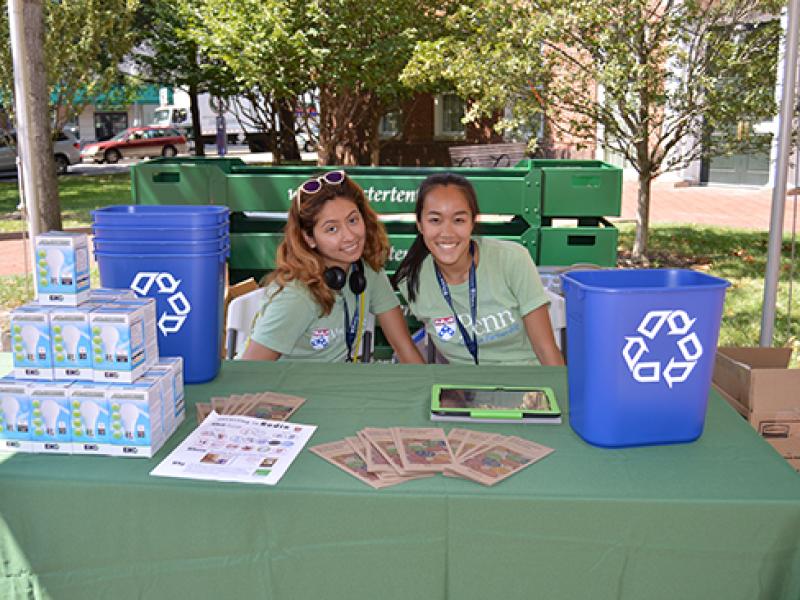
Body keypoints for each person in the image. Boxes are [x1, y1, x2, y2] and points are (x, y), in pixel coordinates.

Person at [240, 170, 424, 364]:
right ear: (309, 238)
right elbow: (250, 369)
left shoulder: (366, 272)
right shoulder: (297, 296)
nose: (350, 236)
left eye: (353, 220)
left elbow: (403, 346)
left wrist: (431, 390)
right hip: (289, 391)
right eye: (332, 229)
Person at [392, 172, 564, 366]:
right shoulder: (413, 281)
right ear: (420, 225)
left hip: (527, 388)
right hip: (464, 392)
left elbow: (546, 349)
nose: (447, 232)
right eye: (435, 220)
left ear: (472, 222)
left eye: (458, 220)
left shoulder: (512, 259)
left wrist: (557, 395)